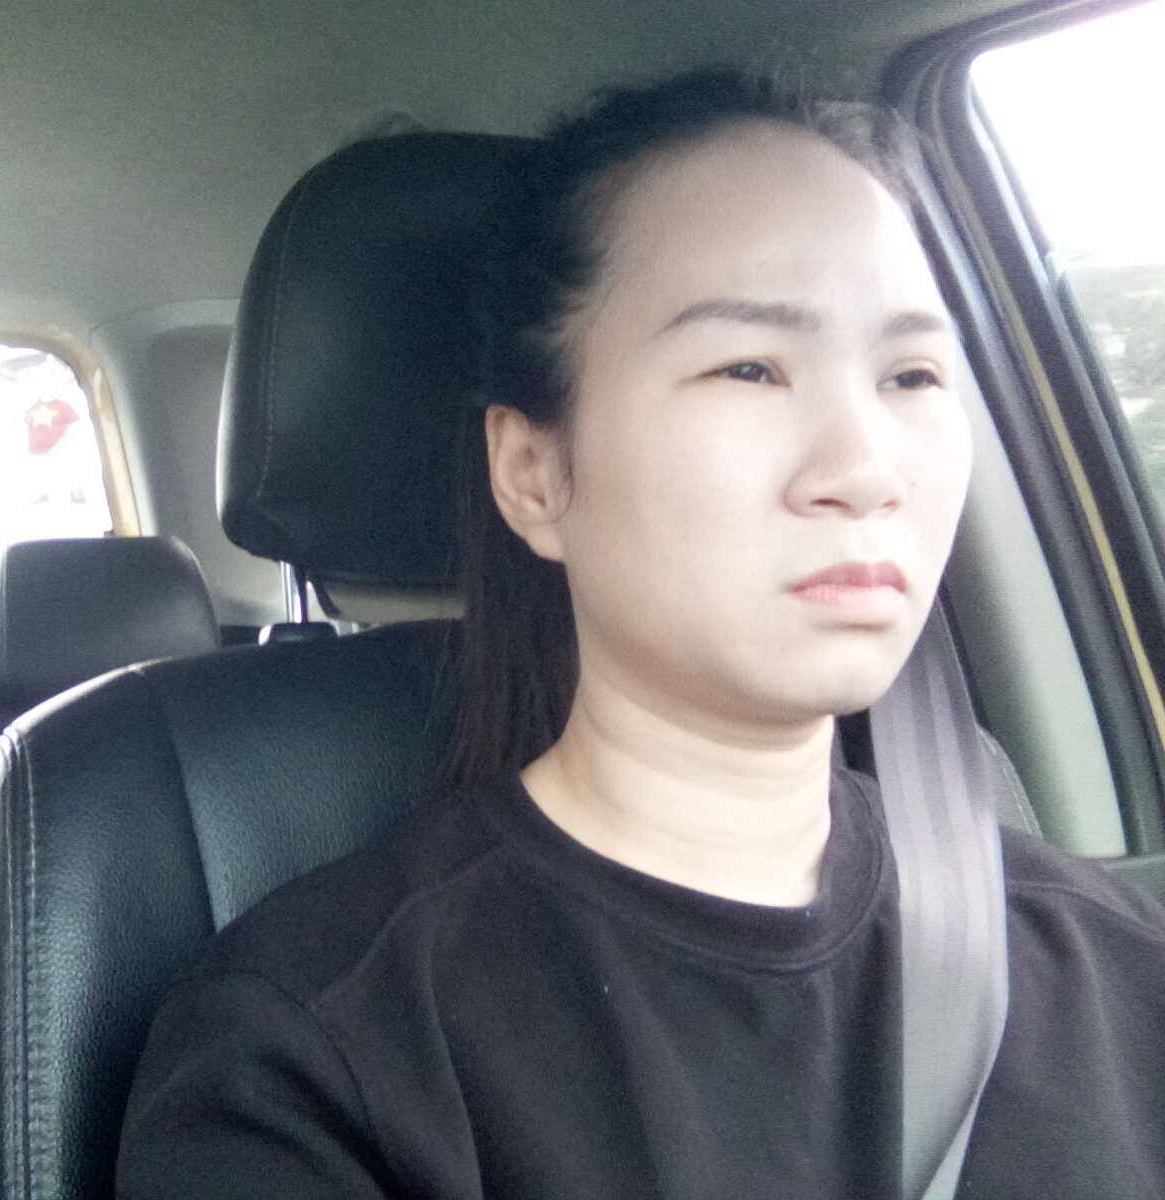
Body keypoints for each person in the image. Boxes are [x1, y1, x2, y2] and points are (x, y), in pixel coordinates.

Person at [115, 70, 1165, 1198]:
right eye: (748, 367)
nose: (866, 469)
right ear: (535, 471)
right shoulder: (309, 1056)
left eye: (911, 374)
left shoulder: (1111, 957)